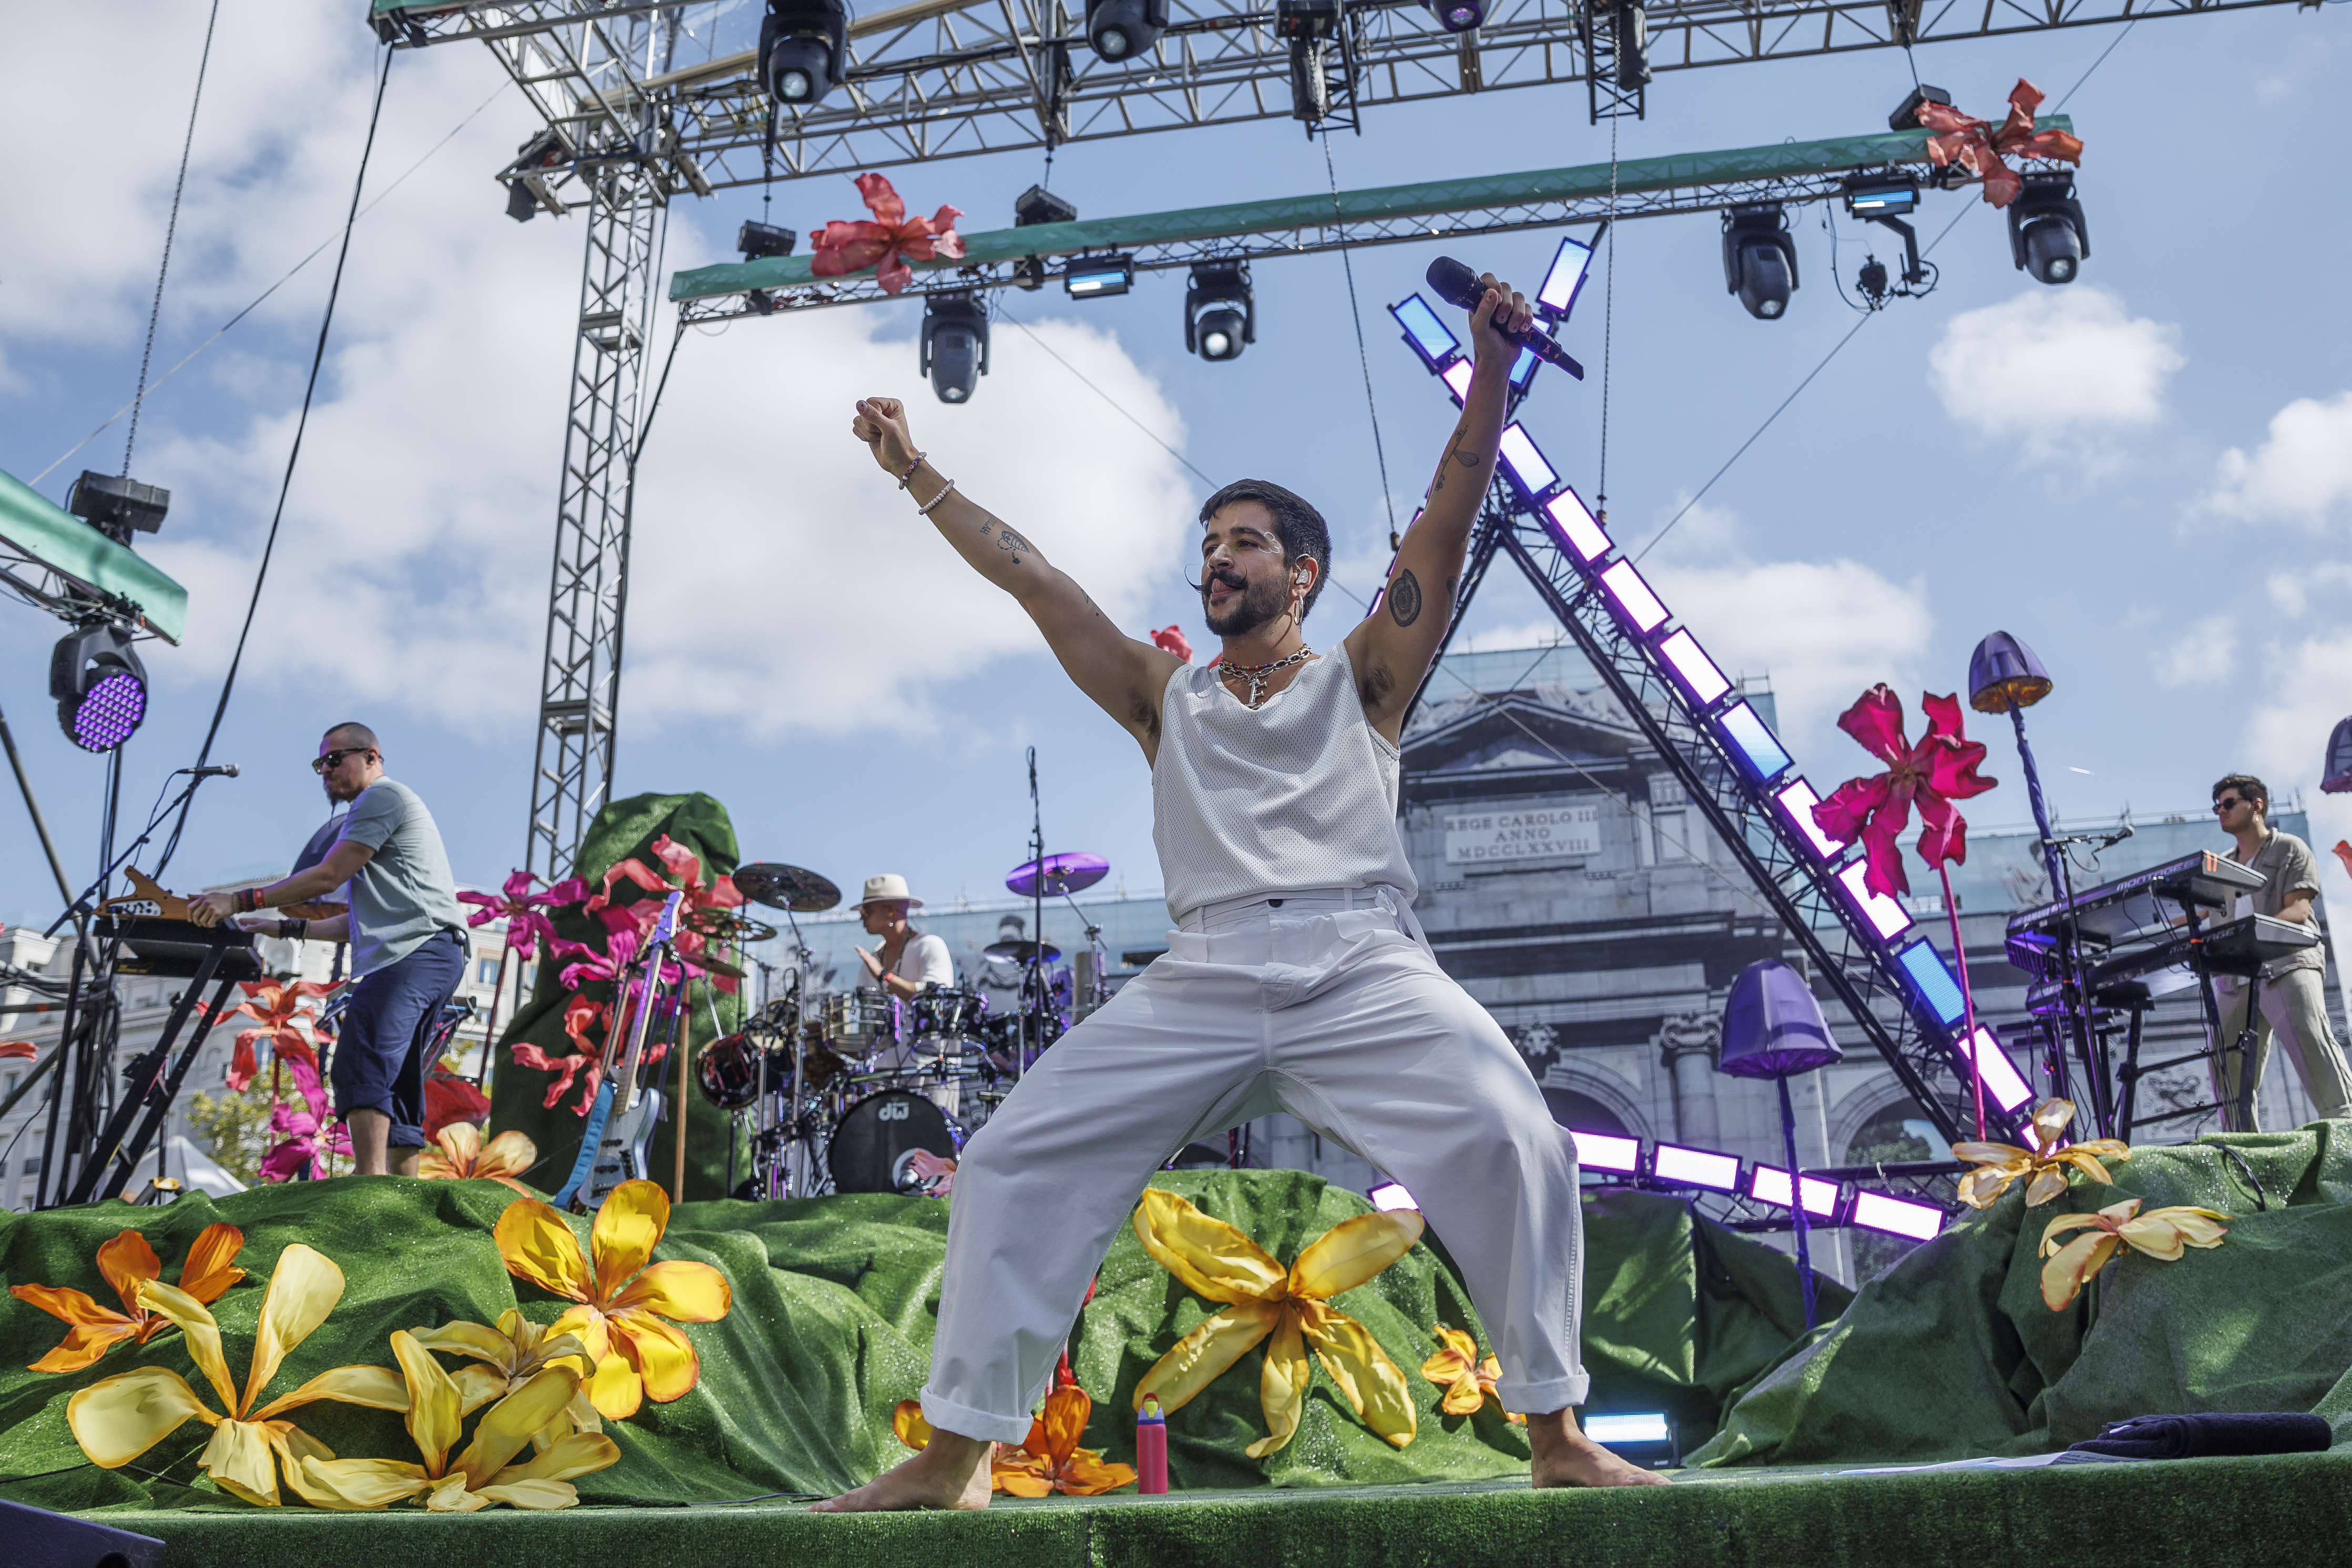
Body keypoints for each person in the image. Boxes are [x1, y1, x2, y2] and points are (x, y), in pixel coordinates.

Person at [817, 271, 1664, 1512]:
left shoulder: (1367, 677)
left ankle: (1554, 1434)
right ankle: (957, 1460)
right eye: (1209, 545)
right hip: (1207, 969)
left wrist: (1488, 369)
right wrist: (915, 472)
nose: (1218, 562)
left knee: (1514, 1136)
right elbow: (1036, 580)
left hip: (1360, 961)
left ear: (1304, 572)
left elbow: (1453, 506)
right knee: (1006, 1161)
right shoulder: (1167, 698)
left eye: (1245, 543)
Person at [191, 723, 468, 1176]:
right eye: (320, 764)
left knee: (362, 1056)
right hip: (433, 951)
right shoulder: (386, 817)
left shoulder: (380, 798)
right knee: (396, 1076)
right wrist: (281, 929)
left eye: (335, 759)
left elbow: (327, 876)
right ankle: (403, 1196)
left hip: (416, 952)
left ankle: (369, 1181)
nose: (325, 771)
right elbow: (357, 925)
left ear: (373, 757)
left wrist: (239, 899)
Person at [2205, 774, 2352, 1130]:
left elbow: (2298, 910)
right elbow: (2197, 913)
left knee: (2311, 1042)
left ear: (2256, 805)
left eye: (2228, 803)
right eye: (2217, 807)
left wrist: (2251, 937)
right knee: (2224, 1064)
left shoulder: (2289, 848)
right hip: (2236, 977)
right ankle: (2243, 1149)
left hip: (2285, 964)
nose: (2220, 811)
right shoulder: (2220, 865)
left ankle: (2345, 1130)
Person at [853, 874, 955, 999]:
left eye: (867, 911)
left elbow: (935, 999)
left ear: (891, 912)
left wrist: (883, 975)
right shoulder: (872, 962)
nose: (862, 917)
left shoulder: (929, 945)